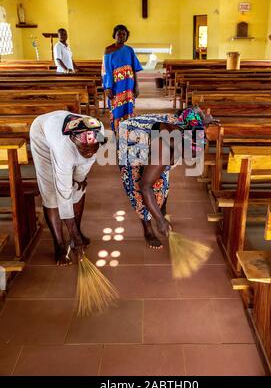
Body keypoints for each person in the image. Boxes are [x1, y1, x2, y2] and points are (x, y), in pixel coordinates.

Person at [118, 107, 215, 249]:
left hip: (157, 134)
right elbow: (145, 187)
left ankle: (160, 209)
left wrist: (204, 122)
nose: (190, 158)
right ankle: (148, 229)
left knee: (162, 180)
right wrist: (160, 220)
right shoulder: (164, 147)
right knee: (139, 185)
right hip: (131, 137)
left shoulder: (190, 122)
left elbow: (195, 110)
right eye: (188, 153)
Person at [30, 111, 107, 265]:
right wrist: (75, 236)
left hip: (61, 127)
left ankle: (76, 233)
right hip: (42, 134)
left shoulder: (100, 133)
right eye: (85, 150)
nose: (89, 153)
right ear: (73, 140)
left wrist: (79, 179)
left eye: (93, 149)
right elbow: (63, 193)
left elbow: (88, 160)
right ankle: (59, 245)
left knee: (79, 188)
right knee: (52, 193)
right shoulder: (63, 146)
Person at [102, 24, 143, 132]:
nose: (121, 36)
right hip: (115, 86)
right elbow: (106, 71)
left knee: (128, 107)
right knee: (116, 109)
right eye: (119, 34)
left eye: (124, 34)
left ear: (126, 36)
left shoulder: (129, 50)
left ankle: (127, 130)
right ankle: (116, 131)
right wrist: (107, 87)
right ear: (114, 35)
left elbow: (134, 69)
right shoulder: (108, 50)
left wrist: (137, 86)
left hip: (129, 85)